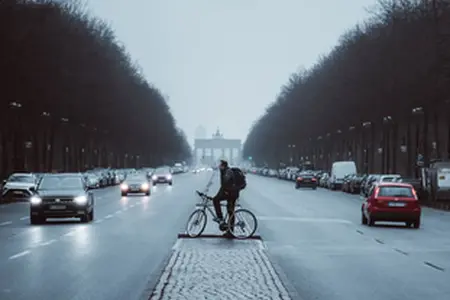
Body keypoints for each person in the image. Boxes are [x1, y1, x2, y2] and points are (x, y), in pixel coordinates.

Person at [212, 159, 239, 238]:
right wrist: (218, 195)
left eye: (220, 165)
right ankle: (228, 230)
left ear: (223, 166)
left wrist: (218, 195)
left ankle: (229, 229)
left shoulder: (227, 171)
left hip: (232, 194)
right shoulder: (225, 171)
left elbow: (225, 184)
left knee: (230, 211)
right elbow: (223, 186)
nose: (218, 166)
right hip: (230, 193)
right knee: (229, 210)